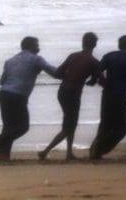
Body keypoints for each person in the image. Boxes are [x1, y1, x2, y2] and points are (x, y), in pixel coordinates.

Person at [40, 32, 104, 161]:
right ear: (95, 44)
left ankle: (69, 153)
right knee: (69, 125)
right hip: (73, 94)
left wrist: (70, 77)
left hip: (62, 91)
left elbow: (58, 73)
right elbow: (100, 80)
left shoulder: (73, 56)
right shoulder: (94, 62)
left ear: (82, 43)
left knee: (71, 123)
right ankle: (45, 151)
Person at [0, 36, 57, 160]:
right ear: (30, 46)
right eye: (37, 45)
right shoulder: (36, 59)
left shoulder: (10, 60)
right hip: (18, 95)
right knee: (23, 127)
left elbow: (2, 81)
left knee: (8, 126)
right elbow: (52, 72)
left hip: (4, 94)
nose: (39, 47)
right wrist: (67, 72)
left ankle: (2, 155)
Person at [88, 35, 126, 160]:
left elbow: (96, 70)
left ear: (119, 45)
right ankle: (100, 150)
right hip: (121, 98)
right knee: (121, 129)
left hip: (107, 95)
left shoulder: (109, 56)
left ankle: (95, 150)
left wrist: (97, 80)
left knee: (105, 125)